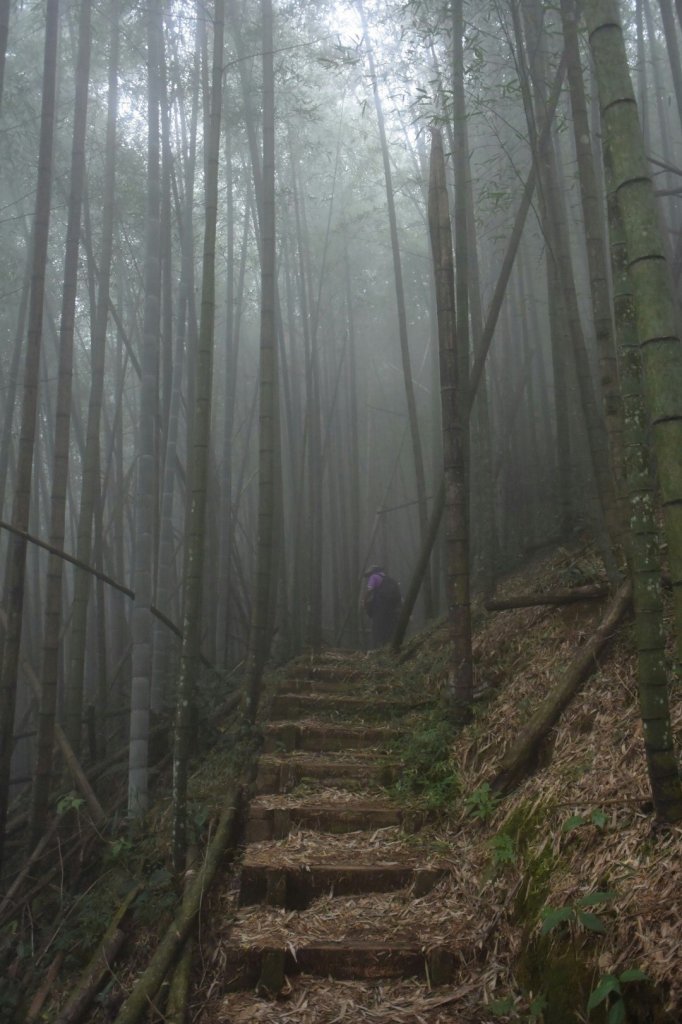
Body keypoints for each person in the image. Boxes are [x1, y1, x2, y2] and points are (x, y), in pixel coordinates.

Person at [363, 565, 402, 649]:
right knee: (388, 627)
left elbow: (370, 590)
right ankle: (388, 646)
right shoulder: (389, 579)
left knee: (377, 628)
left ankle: (378, 648)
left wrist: (364, 601)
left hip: (380, 607)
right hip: (391, 608)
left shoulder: (374, 577)